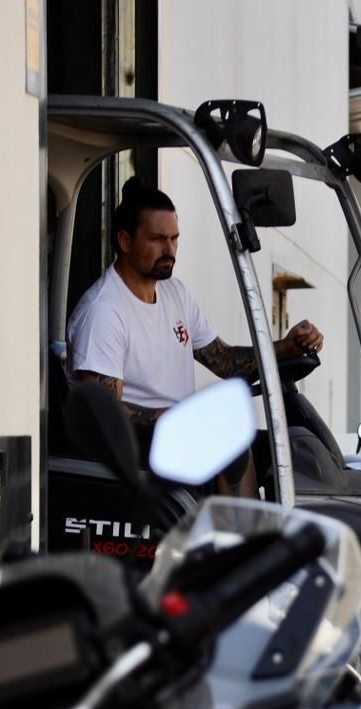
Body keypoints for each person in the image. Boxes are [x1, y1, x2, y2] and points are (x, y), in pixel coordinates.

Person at [68, 178, 322, 494]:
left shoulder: (175, 294)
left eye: (174, 239)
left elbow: (225, 361)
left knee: (288, 450)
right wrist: (168, 418)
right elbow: (100, 413)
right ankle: (236, 537)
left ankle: (260, 529)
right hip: (137, 453)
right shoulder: (104, 311)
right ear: (125, 240)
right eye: (158, 239)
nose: (170, 250)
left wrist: (286, 347)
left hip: (177, 438)